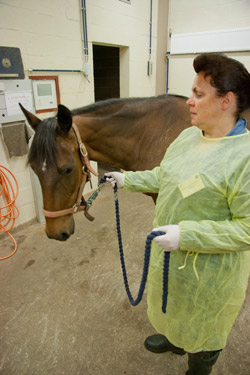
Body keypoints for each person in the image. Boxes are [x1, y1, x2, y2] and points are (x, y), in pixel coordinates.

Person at [105, 53, 250, 375]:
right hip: (170, 256)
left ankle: (199, 365)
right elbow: (164, 175)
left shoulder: (245, 158)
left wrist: (188, 235)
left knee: (203, 325)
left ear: (226, 101)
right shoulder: (188, 136)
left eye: (198, 94)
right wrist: (128, 179)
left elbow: (247, 230)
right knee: (173, 307)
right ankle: (176, 339)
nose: (189, 102)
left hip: (210, 273)